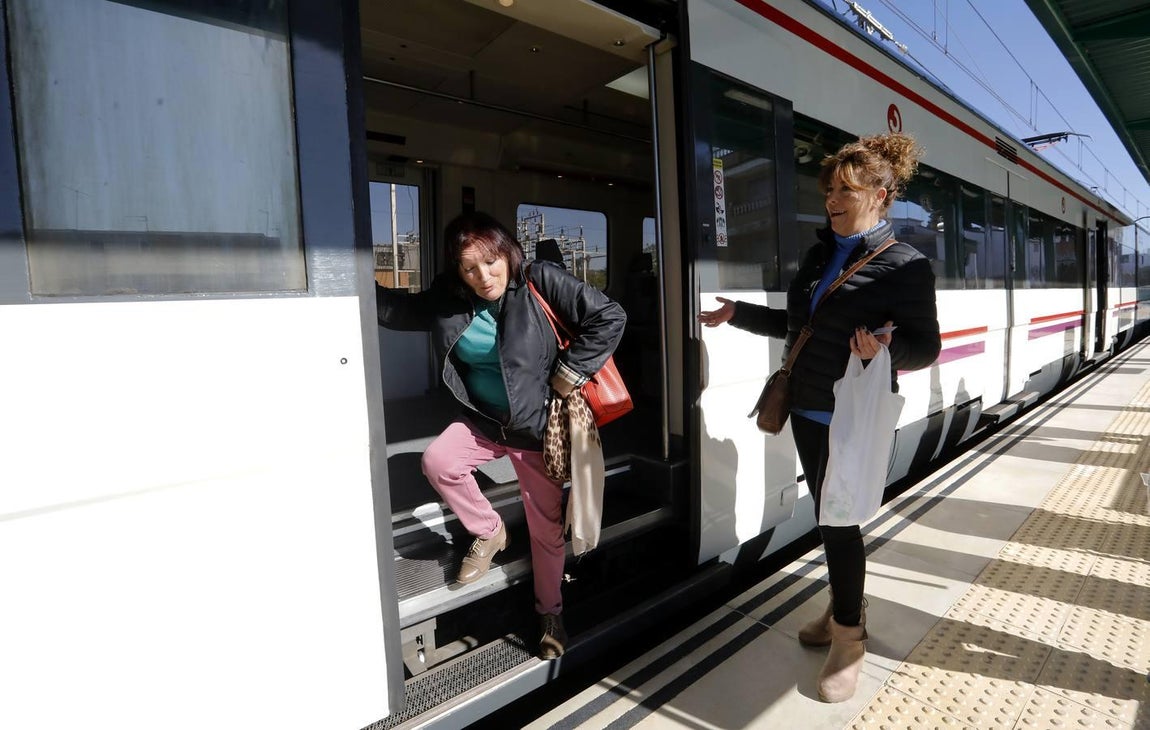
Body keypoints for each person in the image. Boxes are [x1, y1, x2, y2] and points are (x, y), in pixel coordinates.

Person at [698, 132, 940, 702]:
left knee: (837, 520)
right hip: (807, 407)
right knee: (830, 515)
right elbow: (802, 325)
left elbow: (925, 347)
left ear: (881, 195)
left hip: (851, 413)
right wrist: (739, 314)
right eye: (829, 189)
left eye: (846, 191)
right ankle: (841, 607)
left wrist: (885, 348)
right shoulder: (818, 253)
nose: (832, 199)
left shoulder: (905, 265)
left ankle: (850, 637)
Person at [376, 211, 626, 659]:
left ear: (506, 253)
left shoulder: (539, 280)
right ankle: (489, 530)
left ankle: (550, 612)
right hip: (486, 422)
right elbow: (398, 312)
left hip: (535, 428)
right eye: (469, 268)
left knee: (545, 530)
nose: (483, 276)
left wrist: (570, 370)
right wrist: (349, 276)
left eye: (490, 263)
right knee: (439, 461)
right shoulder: (450, 297)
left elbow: (609, 316)